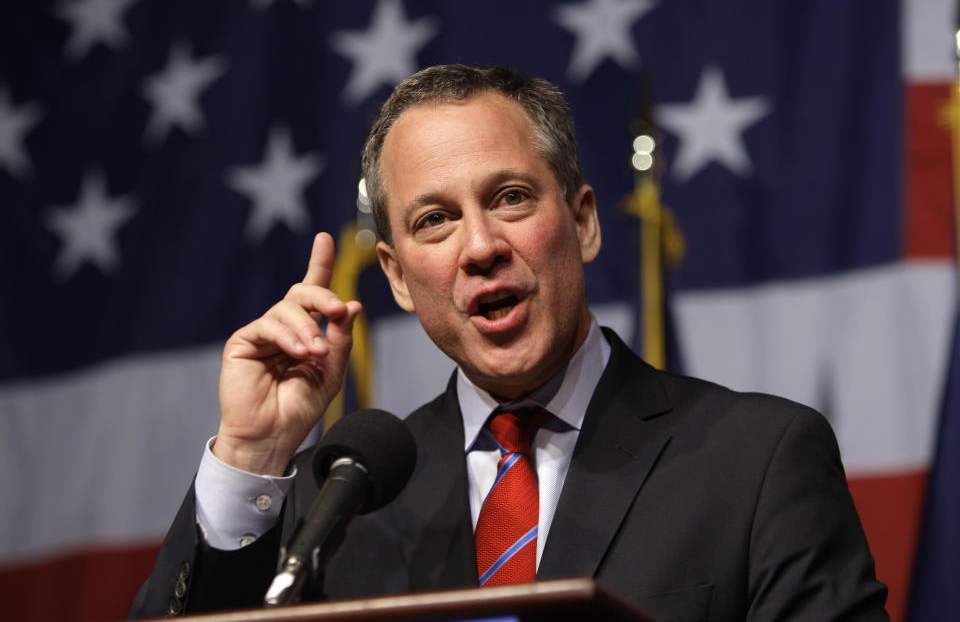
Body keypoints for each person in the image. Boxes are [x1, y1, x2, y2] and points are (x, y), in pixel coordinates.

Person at [130, 65, 889, 621]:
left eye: (511, 198)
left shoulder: (757, 460)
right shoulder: (332, 507)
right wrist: (251, 459)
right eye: (435, 220)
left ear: (584, 221)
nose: (481, 245)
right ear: (395, 277)